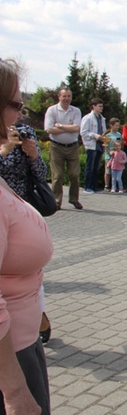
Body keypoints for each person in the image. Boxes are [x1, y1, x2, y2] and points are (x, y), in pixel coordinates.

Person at [0, 57, 58, 415]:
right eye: (17, 105)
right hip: (8, 360)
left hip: (23, 344)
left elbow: (42, 190)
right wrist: (14, 388)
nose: (22, 116)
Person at [0, 117, 52, 345]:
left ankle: (37, 319)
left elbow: (41, 173)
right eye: (14, 105)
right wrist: (5, 150)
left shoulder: (26, 131)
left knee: (30, 271)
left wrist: (33, 155)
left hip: (22, 209)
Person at [44, 87, 82, 210]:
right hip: (56, 147)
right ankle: (56, 201)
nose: (66, 99)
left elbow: (76, 128)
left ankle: (74, 199)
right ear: (59, 97)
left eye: (68, 96)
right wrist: (68, 127)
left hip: (73, 147)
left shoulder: (76, 111)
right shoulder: (52, 110)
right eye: (64, 96)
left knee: (74, 174)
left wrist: (59, 126)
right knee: (57, 175)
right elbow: (49, 129)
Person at [80, 98, 107, 194]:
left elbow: (103, 130)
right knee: (90, 166)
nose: (101, 108)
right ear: (93, 106)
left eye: (102, 106)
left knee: (96, 167)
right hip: (92, 145)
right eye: (99, 106)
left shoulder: (102, 118)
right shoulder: (87, 118)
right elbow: (83, 132)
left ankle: (94, 186)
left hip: (100, 144)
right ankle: (87, 186)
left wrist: (104, 137)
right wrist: (95, 136)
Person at [102, 118, 121, 192]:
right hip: (109, 155)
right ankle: (106, 185)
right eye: (116, 125)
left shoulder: (119, 134)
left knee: (116, 170)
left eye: (118, 125)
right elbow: (105, 145)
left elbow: (120, 143)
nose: (117, 127)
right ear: (111, 125)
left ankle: (114, 186)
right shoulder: (108, 135)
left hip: (116, 155)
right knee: (107, 170)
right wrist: (109, 151)